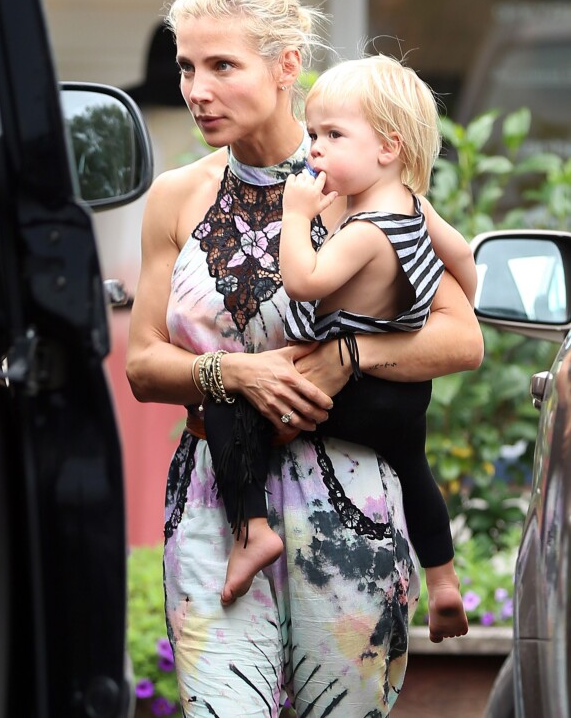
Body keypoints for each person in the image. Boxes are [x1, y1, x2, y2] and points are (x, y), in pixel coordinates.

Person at [126, 0, 484, 718]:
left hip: (351, 496)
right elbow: (144, 362)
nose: (196, 88)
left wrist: (350, 355)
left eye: (222, 65)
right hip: (220, 503)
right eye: (188, 66)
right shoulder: (176, 196)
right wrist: (234, 372)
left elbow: (461, 337)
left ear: (288, 64)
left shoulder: (365, 179)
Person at [203, 54, 475, 646]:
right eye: (313, 133)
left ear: (388, 147)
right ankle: (446, 582)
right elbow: (466, 267)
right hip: (403, 392)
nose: (314, 148)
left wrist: (296, 216)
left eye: (332, 135)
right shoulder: (413, 209)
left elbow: (305, 282)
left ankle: (253, 532)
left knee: (227, 398)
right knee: (414, 468)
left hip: (351, 386)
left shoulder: (364, 231)